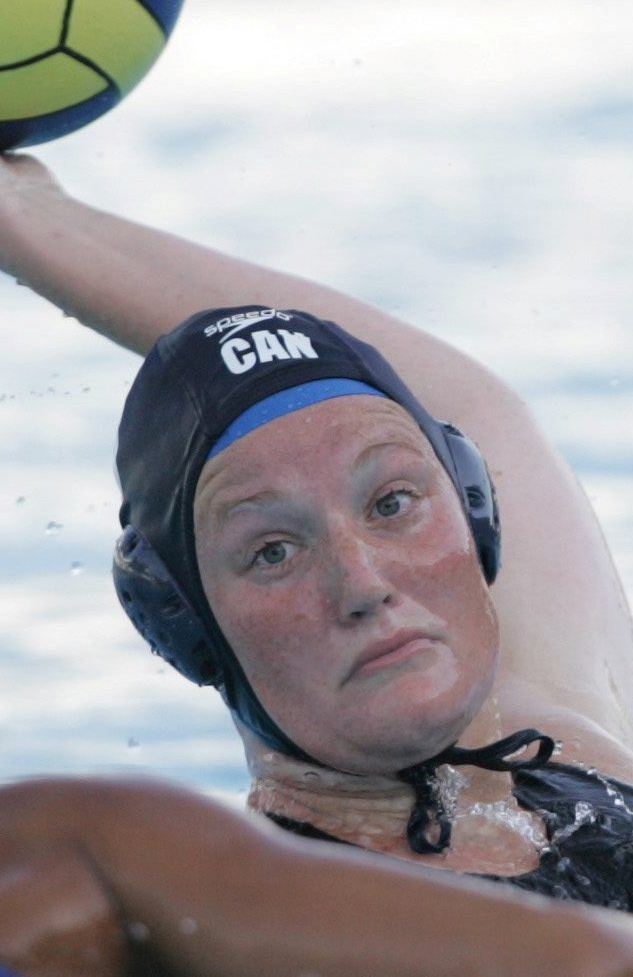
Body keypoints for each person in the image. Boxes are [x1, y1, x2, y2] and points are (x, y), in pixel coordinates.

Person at [1, 151, 633, 977]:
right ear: (186, 625)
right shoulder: (199, 914)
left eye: (392, 503)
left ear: (477, 512)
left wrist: (30, 217)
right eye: (272, 551)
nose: (364, 582)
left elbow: (474, 404)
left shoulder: (572, 738)